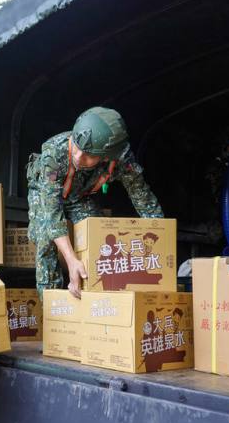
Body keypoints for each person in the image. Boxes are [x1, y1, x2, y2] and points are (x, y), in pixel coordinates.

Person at [27, 107, 164, 299]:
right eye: (76, 147)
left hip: (78, 197)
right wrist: (71, 260)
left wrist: (161, 240)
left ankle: (94, 295)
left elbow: (142, 197)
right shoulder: (54, 152)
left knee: (99, 236)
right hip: (44, 195)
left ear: (106, 157)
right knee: (46, 241)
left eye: (89, 155)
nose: (78, 156)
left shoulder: (121, 158)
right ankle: (51, 307)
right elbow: (51, 212)